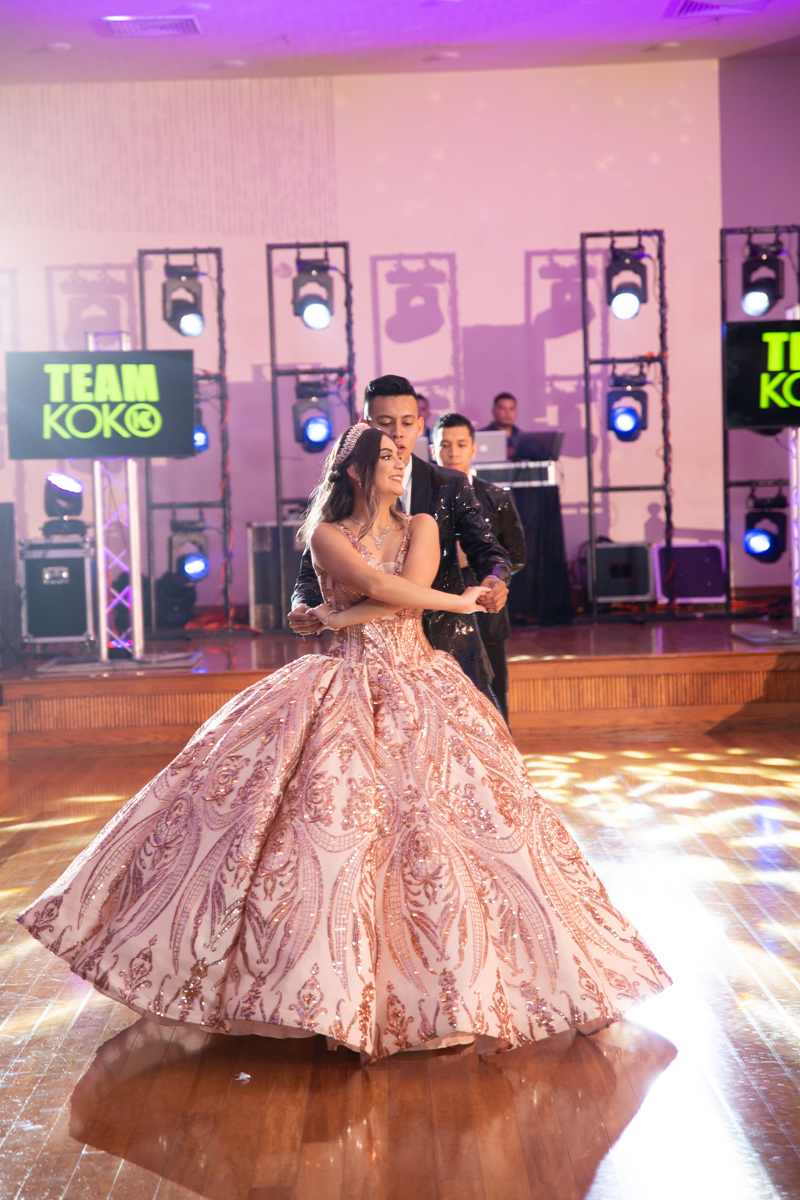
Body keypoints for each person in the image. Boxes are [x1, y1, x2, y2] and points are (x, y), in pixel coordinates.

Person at [17, 424, 671, 1063]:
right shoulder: (326, 534)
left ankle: (457, 995)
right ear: (355, 470)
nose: (399, 461)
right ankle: (316, 994)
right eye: (385, 454)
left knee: (460, 832)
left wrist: (336, 614)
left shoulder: (423, 525)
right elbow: (384, 588)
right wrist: (456, 601)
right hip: (343, 678)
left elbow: (405, 601)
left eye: (401, 451)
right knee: (318, 836)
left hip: (419, 680)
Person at [290, 375, 510, 704]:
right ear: (365, 426)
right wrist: (304, 607)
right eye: (385, 423)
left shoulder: (448, 486)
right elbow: (312, 572)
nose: (397, 433)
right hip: (356, 664)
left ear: (420, 425)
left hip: (446, 645)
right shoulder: (332, 517)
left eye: (407, 422)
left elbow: (486, 549)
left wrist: (494, 578)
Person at [432, 413, 525, 724]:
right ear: (433, 450)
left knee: (493, 700)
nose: (453, 453)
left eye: (461, 445)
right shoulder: (420, 498)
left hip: (487, 610)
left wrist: (490, 576)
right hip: (437, 611)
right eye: (445, 445)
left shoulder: (496, 497)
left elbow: (515, 555)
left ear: (473, 449)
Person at [482, 391, 522, 461]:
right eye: (502, 408)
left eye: (511, 409)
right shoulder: (481, 437)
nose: (507, 412)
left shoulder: (523, 437)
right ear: (493, 411)